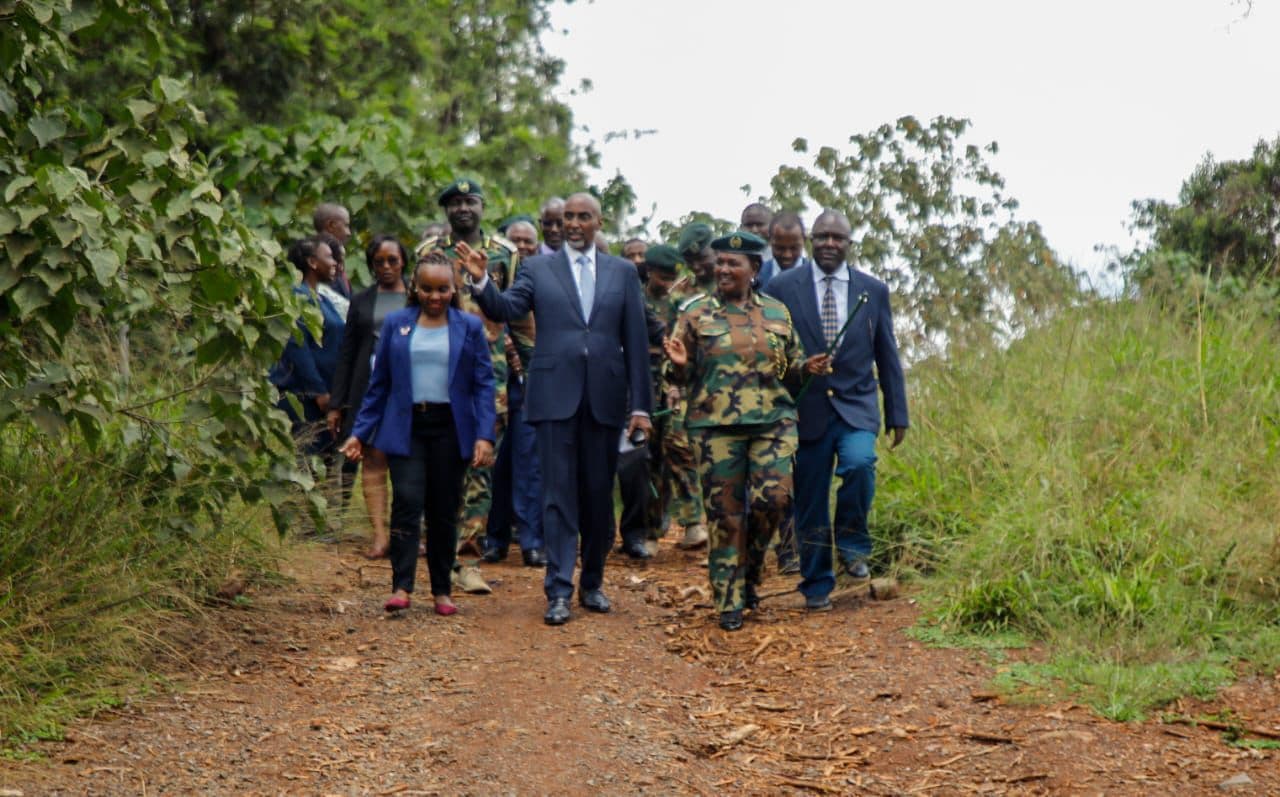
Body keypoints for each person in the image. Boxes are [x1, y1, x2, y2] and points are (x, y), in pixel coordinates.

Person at [460, 192, 653, 626]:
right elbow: (508, 309)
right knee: (557, 494)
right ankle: (559, 590)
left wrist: (641, 406)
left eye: (584, 216)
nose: (574, 224)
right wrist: (482, 283)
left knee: (598, 497)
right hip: (552, 397)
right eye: (568, 217)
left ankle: (593, 585)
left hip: (605, 398)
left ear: (599, 221)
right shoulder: (537, 268)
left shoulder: (622, 273)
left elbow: (637, 344)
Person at [663, 231, 829, 631]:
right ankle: (728, 599)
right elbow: (674, 375)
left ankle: (750, 573)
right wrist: (681, 364)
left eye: (732, 263)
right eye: (719, 262)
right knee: (725, 515)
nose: (722, 269)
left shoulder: (777, 312)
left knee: (773, 500)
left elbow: (788, 368)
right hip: (714, 427)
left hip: (772, 422)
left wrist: (806, 369)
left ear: (753, 269)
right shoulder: (694, 312)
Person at [763, 210, 909, 611]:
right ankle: (816, 586)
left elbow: (887, 353)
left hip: (857, 405)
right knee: (809, 498)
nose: (829, 243)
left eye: (838, 237)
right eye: (822, 236)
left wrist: (898, 412)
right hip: (805, 410)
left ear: (849, 243)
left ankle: (852, 544)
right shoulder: (781, 287)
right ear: (811, 240)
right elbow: (771, 353)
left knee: (860, 464)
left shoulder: (872, 290)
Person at [339, 252, 496, 616]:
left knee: (443, 509)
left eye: (443, 289)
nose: (435, 296)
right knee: (407, 503)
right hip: (407, 426)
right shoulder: (397, 323)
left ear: (454, 289)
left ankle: (442, 590)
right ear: (415, 287)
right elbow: (379, 386)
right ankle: (402, 587)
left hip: (451, 428)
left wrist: (484, 436)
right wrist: (360, 433)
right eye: (427, 289)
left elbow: (483, 386)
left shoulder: (468, 327)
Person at [418, 178, 518, 566]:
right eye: (455, 202)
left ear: (482, 206)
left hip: (488, 373)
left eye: (470, 201)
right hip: (437, 371)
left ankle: (470, 558)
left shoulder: (505, 254)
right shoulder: (429, 253)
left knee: (482, 464)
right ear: (446, 210)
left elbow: (515, 310)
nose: (463, 208)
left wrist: (525, 363)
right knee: (438, 463)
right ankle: (439, 550)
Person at [327, 234, 410, 559]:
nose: (386, 267)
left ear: (403, 262)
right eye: (379, 262)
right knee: (373, 460)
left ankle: (405, 533)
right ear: (372, 265)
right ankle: (379, 535)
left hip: (408, 392)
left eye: (393, 260)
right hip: (368, 391)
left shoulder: (419, 298)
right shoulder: (361, 301)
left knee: (407, 464)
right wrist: (338, 403)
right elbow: (346, 353)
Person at [482, 218, 546, 567]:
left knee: (528, 461)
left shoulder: (539, 277)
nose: (522, 246)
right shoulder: (490, 275)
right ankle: (493, 538)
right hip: (492, 384)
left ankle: (531, 541)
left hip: (526, 384)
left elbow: (532, 330)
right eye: (515, 240)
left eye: (528, 242)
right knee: (494, 464)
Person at [641, 245, 707, 553]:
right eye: (663, 277)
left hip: (672, 384)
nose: (668, 283)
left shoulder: (680, 304)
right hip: (640, 383)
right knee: (649, 459)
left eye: (672, 277)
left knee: (678, 447)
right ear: (650, 272)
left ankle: (693, 522)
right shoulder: (636, 299)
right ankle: (651, 531)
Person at [270, 236, 346, 460]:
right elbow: (297, 347)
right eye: (329, 257)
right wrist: (319, 391)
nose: (334, 263)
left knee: (325, 462)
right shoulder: (298, 297)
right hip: (305, 399)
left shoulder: (323, 298)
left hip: (324, 400)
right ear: (313, 263)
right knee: (308, 462)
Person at [755, 211, 810, 292]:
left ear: (804, 241)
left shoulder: (814, 277)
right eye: (780, 248)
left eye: (794, 248)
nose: (787, 255)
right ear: (770, 241)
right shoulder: (756, 275)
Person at [313, 203, 353, 297]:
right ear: (331, 225)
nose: (349, 233)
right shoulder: (319, 261)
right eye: (346, 226)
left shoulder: (338, 260)